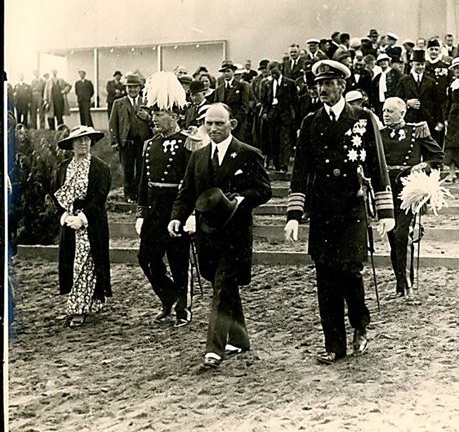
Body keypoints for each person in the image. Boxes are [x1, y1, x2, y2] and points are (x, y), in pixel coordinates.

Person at [284, 60, 394, 365]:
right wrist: (294, 214)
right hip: (322, 212)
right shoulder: (310, 122)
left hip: (351, 209)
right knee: (325, 277)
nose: (322, 90)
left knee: (350, 272)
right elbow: (300, 171)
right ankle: (334, 344)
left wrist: (385, 211)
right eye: (318, 85)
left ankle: (360, 323)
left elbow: (377, 165)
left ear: (342, 86)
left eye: (328, 84)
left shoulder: (362, 118)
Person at [168, 103, 272, 369]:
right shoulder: (198, 156)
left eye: (219, 124)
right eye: (209, 124)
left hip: (234, 236)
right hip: (207, 236)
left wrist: (241, 199)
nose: (213, 129)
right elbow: (187, 192)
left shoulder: (248, 154)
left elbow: (264, 190)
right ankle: (240, 339)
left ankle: (214, 350)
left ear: (231, 124)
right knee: (222, 287)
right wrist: (177, 218)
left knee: (223, 287)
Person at [136, 73, 193, 327]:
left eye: (159, 114)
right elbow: (143, 181)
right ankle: (168, 295)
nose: (154, 119)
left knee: (179, 259)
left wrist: (189, 213)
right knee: (145, 257)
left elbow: (192, 182)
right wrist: (140, 212)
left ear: (174, 115)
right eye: (154, 113)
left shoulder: (188, 143)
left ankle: (183, 307)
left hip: (176, 205)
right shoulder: (149, 145)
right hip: (154, 207)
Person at [380, 97, 444, 298]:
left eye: (390, 111)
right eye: (384, 111)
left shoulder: (416, 131)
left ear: (402, 113)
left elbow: (437, 156)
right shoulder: (379, 134)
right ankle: (400, 285)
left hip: (409, 190)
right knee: (392, 236)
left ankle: (407, 285)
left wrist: (422, 167)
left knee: (402, 235)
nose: (386, 115)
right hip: (386, 189)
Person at [52, 125, 112, 328]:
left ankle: (78, 308)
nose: (83, 144)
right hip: (70, 221)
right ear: (71, 145)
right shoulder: (63, 168)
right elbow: (56, 194)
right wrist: (64, 216)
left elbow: (100, 196)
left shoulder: (99, 167)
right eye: (79, 140)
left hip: (91, 221)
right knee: (72, 261)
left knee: (85, 263)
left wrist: (83, 217)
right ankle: (88, 302)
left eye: (87, 140)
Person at [109, 74, 152, 202]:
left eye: (135, 87)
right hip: (126, 142)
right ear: (126, 89)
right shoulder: (118, 103)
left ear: (139, 88)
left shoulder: (146, 103)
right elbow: (113, 123)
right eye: (130, 87)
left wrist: (148, 118)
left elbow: (154, 122)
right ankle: (128, 195)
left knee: (141, 169)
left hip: (142, 142)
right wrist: (114, 141)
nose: (132, 90)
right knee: (127, 170)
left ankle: (139, 194)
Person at [395, 49, 444, 145]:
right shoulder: (404, 81)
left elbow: (437, 103)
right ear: (411, 65)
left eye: (422, 64)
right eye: (418, 64)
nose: (420, 67)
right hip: (410, 120)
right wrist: (407, 103)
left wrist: (439, 121)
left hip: (428, 120)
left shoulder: (430, 81)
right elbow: (397, 100)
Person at [261, 61, 298, 172]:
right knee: (273, 139)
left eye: (275, 71)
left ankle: (284, 165)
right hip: (272, 114)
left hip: (285, 115)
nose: (273, 74)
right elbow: (265, 100)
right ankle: (276, 164)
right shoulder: (267, 84)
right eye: (271, 72)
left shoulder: (290, 83)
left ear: (280, 69)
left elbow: (295, 100)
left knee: (284, 140)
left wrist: (292, 114)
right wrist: (266, 112)